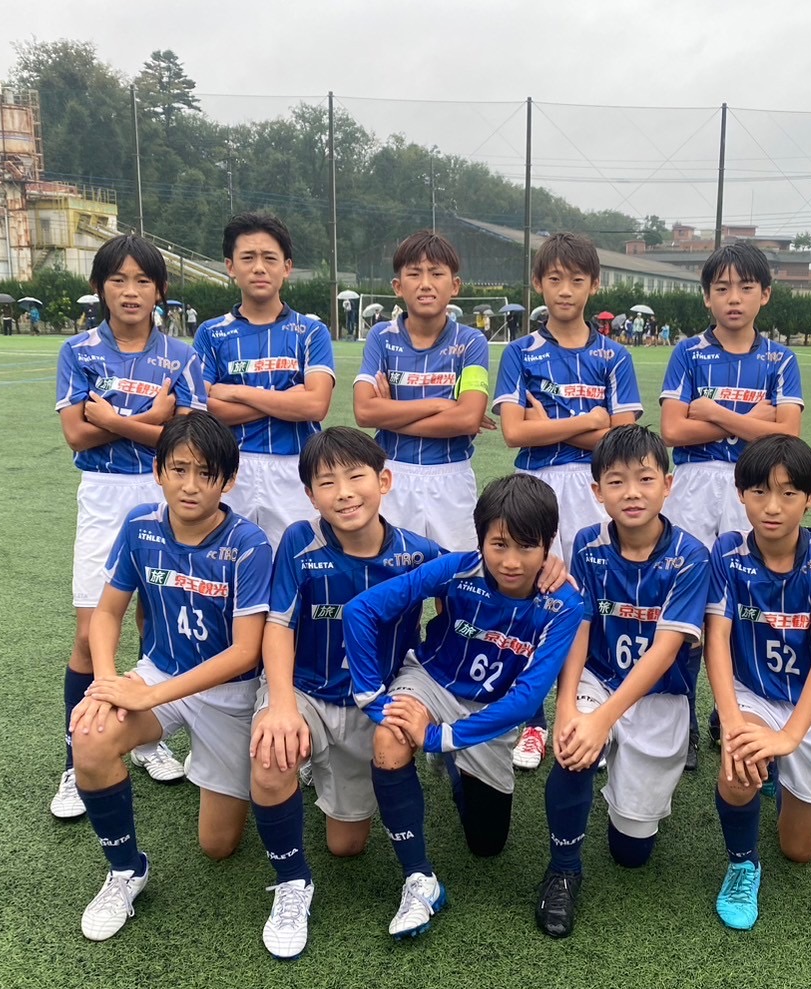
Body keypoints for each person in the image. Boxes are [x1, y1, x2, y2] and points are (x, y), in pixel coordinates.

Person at [344, 474, 584, 939]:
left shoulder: (564, 604)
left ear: (548, 544)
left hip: (491, 710)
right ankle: (419, 878)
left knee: (487, 843)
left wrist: (441, 738)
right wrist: (372, 699)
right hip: (430, 682)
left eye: (527, 547)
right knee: (390, 738)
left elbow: (526, 700)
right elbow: (361, 611)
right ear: (480, 540)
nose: (511, 561)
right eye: (498, 545)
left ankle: (453, 764)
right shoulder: (456, 569)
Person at [68, 411, 274, 940]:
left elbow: (245, 652)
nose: (190, 485)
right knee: (90, 734)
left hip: (228, 694)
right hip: (158, 673)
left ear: (228, 481)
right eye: (179, 469)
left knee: (218, 847)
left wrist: (149, 696)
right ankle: (125, 870)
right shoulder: (140, 526)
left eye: (206, 473)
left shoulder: (249, 544)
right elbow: (107, 613)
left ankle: (226, 766)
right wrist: (108, 684)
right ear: (158, 471)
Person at [249, 427, 445, 958]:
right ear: (310, 495)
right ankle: (292, 883)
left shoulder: (418, 554)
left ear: (384, 480)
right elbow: (279, 626)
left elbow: (478, 581)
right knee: (271, 752)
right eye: (327, 482)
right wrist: (281, 705)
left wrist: (549, 569)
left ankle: (415, 871)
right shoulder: (300, 541)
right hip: (307, 693)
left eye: (356, 476)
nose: (344, 492)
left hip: (369, 702)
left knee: (347, 845)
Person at [51, 234, 206, 821]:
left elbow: (186, 438)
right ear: (100, 287)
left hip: (165, 491)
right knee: (89, 630)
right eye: (118, 279)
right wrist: (152, 419)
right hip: (104, 492)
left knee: (153, 619)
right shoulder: (79, 350)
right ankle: (76, 758)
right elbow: (76, 435)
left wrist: (116, 418)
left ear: (160, 290)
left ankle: (146, 737)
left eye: (143, 280)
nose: (131, 291)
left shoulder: (182, 355)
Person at [536, 425, 709, 938]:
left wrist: (603, 720)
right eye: (616, 481)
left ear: (668, 485)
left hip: (659, 695)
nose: (631, 492)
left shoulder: (691, 555)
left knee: (632, 852)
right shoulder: (588, 545)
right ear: (597, 492)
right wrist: (568, 708)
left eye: (645, 479)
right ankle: (563, 869)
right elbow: (580, 628)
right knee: (573, 747)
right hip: (599, 676)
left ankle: (632, 784)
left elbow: (664, 652)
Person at [494, 232, 642, 770]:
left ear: (593, 285)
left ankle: (584, 715)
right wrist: (589, 420)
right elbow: (514, 433)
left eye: (576, 280)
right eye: (554, 279)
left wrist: (550, 424)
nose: (565, 290)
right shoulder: (520, 352)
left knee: (589, 600)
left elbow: (622, 441)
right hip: (535, 486)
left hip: (597, 489)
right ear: (538, 283)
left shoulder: (614, 356)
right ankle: (534, 723)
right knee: (534, 597)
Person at [707, 434, 811, 931]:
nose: (772, 507)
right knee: (739, 765)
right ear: (741, 493)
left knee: (798, 850)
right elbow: (717, 641)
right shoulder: (727, 553)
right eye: (759, 492)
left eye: (788, 493)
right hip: (755, 694)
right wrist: (732, 721)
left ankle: (779, 771)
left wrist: (790, 736)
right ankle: (742, 865)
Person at [660, 241, 804, 767]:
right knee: (687, 600)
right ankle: (684, 721)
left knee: (748, 599)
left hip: (757, 486)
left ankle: (736, 716)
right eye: (722, 288)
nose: (734, 298)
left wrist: (713, 410)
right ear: (707, 297)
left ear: (765, 294)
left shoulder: (780, 359)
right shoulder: (688, 353)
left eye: (746, 287)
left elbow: (787, 434)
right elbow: (673, 430)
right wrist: (752, 421)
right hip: (694, 485)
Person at [195, 211, 335, 549]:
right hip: (230, 468)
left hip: (295, 468)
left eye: (269, 258)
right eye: (248, 258)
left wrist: (234, 392)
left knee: (296, 562)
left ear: (286, 267)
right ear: (230, 266)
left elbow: (315, 405)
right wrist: (289, 399)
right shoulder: (211, 333)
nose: (259, 267)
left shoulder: (311, 332)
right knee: (226, 562)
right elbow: (204, 410)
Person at [352, 231, 491, 551]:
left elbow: (468, 419)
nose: (425, 283)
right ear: (398, 286)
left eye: (436, 273)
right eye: (414, 274)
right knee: (393, 571)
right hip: (392, 475)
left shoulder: (472, 342)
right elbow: (364, 411)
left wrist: (390, 414)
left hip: (451, 478)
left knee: (456, 574)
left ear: (454, 285)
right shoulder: (381, 337)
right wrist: (442, 405)